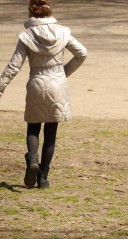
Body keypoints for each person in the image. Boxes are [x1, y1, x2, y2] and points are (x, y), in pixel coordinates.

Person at [0, 0, 87, 189]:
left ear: (31, 13)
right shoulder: (63, 32)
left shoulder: (26, 35)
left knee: (33, 127)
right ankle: (44, 178)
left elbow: (14, 65)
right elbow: (82, 53)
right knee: (51, 132)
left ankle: (32, 159)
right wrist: (64, 71)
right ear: (49, 12)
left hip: (36, 83)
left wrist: (1, 86)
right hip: (58, 83)